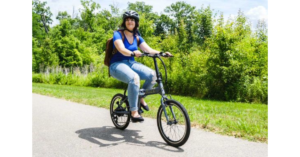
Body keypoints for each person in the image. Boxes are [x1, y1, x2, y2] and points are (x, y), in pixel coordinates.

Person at [110, 10, 172, 122]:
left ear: (136, 22)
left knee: (153, 75)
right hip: (117, 65)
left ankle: (140, 97)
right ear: (124, 22)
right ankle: (134, 112)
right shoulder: (118, 34)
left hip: (131, 64)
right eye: (127, 19)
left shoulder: (137, 36)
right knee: (134, 78)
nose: (130, 21)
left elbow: (148, 50)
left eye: (132, 20)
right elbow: (121, 49)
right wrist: (132, 53)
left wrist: (162, 53)